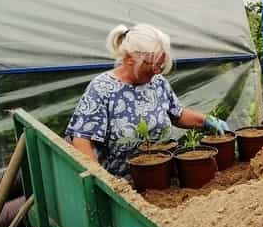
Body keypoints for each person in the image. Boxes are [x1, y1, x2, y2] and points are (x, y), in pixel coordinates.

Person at [65, 24, 229, 177]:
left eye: (160, 65)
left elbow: (177, 114)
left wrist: (206, 120)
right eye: (151, 65)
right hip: (121, 186)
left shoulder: (157, 82)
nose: (157, 70)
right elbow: (82, 139)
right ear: (129, 58)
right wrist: (101, 181)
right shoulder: (102, 88)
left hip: (160, 177)